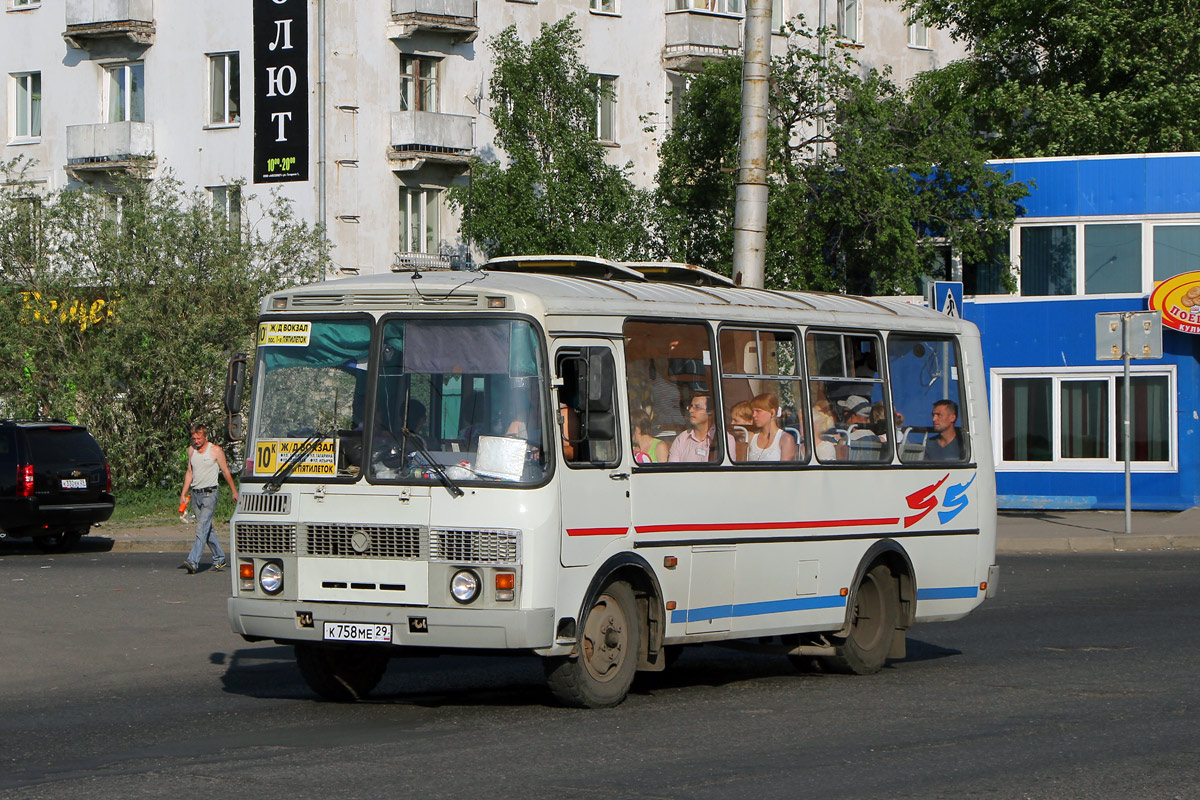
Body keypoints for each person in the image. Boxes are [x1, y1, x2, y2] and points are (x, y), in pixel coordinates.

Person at [179, 423, 238, 574]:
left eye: (199, 438)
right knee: (206, 529)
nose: (196, 441)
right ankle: (219, 558)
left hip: (210, 494)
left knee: (201, 529)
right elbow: (189, 472)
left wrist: (234, 491)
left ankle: (193, 561)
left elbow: (225, 471)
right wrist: (183, 494)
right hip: (196, 494)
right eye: (194, 438)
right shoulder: (191, 450)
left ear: (205, 436)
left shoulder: (215, 450)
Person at [668, 394, 730, 462]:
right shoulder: (681, 438)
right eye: (691, 406)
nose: (691, 410)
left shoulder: (724, 439)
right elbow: (673, 469)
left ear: (711, 413)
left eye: (697, 407)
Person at [746, 393, 797, 462]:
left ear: (772, 413)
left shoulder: (785, 439)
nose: (754, 415)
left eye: (758, 411)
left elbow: (786, 470)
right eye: (753, 411)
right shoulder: (751, 437)